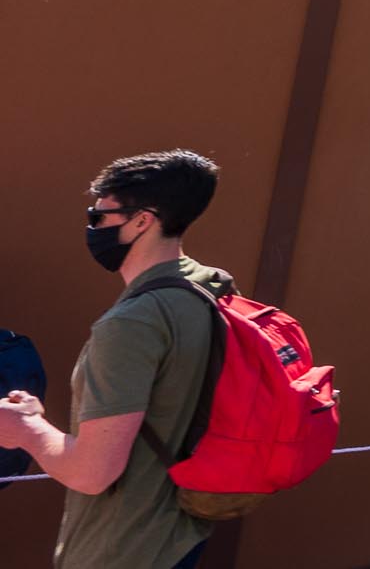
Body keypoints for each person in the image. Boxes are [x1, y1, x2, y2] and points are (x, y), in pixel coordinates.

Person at [0, 149, 230, 569]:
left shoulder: (131, 325)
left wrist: (26, 429)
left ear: (142, 220)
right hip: (180, 534)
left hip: (123, 549)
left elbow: (93, 473)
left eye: (99, 217)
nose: (92, 228)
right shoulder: (207, 288)